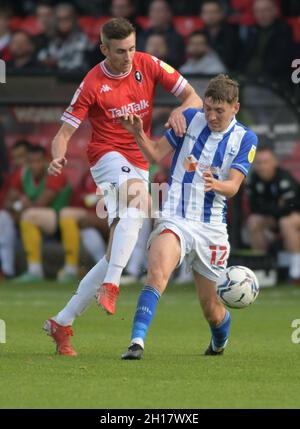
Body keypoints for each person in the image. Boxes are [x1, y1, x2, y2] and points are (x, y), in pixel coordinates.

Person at [44, 17, 202, 356]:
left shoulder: (147, 64)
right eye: (119, 51)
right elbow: (64, 134)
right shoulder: (91, 83)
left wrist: (179, 112)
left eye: (131, 48)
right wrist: (58, 157)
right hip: (106, 157)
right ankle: (112, 285)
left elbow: (194, 98)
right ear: (104, 49)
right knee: (139, 200)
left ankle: (62, 321)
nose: (128, 57)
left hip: (139, 156)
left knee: (120, 244)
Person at [119, 74, 258, 360]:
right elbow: (156, 154)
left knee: (210, 307)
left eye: (219, 110)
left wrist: (215, 184)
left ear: (235, 107)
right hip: (175, 217)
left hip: (211, 229)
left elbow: (232, 187)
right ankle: (136, 342)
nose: (211, 115)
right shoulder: (190, 119)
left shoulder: (246, 138)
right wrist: (137, 134)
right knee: (157, 274)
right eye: (208, 108)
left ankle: (219, 340)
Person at [5, 145, 72, 282]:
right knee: (6, 218)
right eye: (31, 162)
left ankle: (35, 270)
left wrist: (20, 205)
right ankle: (7, 270)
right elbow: (7, 202)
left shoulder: (55, 172)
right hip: (38, 217)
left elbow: (41, 204)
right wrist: (18, 205)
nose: (35, 166)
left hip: (60, 216)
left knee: (30, 216)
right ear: (27, 162)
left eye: (38, 161)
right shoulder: (23, 173)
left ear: (46, 161)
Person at [246, 145, 300, 285]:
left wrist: (270, 208)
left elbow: (291, 207)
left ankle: (296, 273)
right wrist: (277, 207)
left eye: (266, 162)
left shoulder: (284, 178)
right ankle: (263, 268)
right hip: (273, 218)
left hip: (293, 217)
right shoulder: (253, 180)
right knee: (253, 221)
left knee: (286, 222)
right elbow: (254, 208)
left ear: (275, 162)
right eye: (259, 163)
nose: (263, 166)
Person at [239, 0, 294, 80]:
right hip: (248, 77)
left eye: (265, 10)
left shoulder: (284, 30)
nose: (261, 15)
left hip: (272, 81)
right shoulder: (253, 29)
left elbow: (280, 62)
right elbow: (243, 56)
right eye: (257, 11)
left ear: (274, 11)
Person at [37, 3, 90, 71]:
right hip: (52, 77)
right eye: (59, 19)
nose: (63, 22)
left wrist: (57, 63)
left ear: (73, 19)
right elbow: (41, 56)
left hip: (75, 77)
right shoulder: (51, 38)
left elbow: (78, 64)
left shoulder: (81, 38)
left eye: (66, 18)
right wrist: (46, 60)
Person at [200, 0, 240, 71]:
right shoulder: (200, 34)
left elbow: (230, 60)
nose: (210, 16)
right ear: (201, 15)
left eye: (213, 12)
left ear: (221, 14)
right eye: (206, 12)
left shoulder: (231, 33)